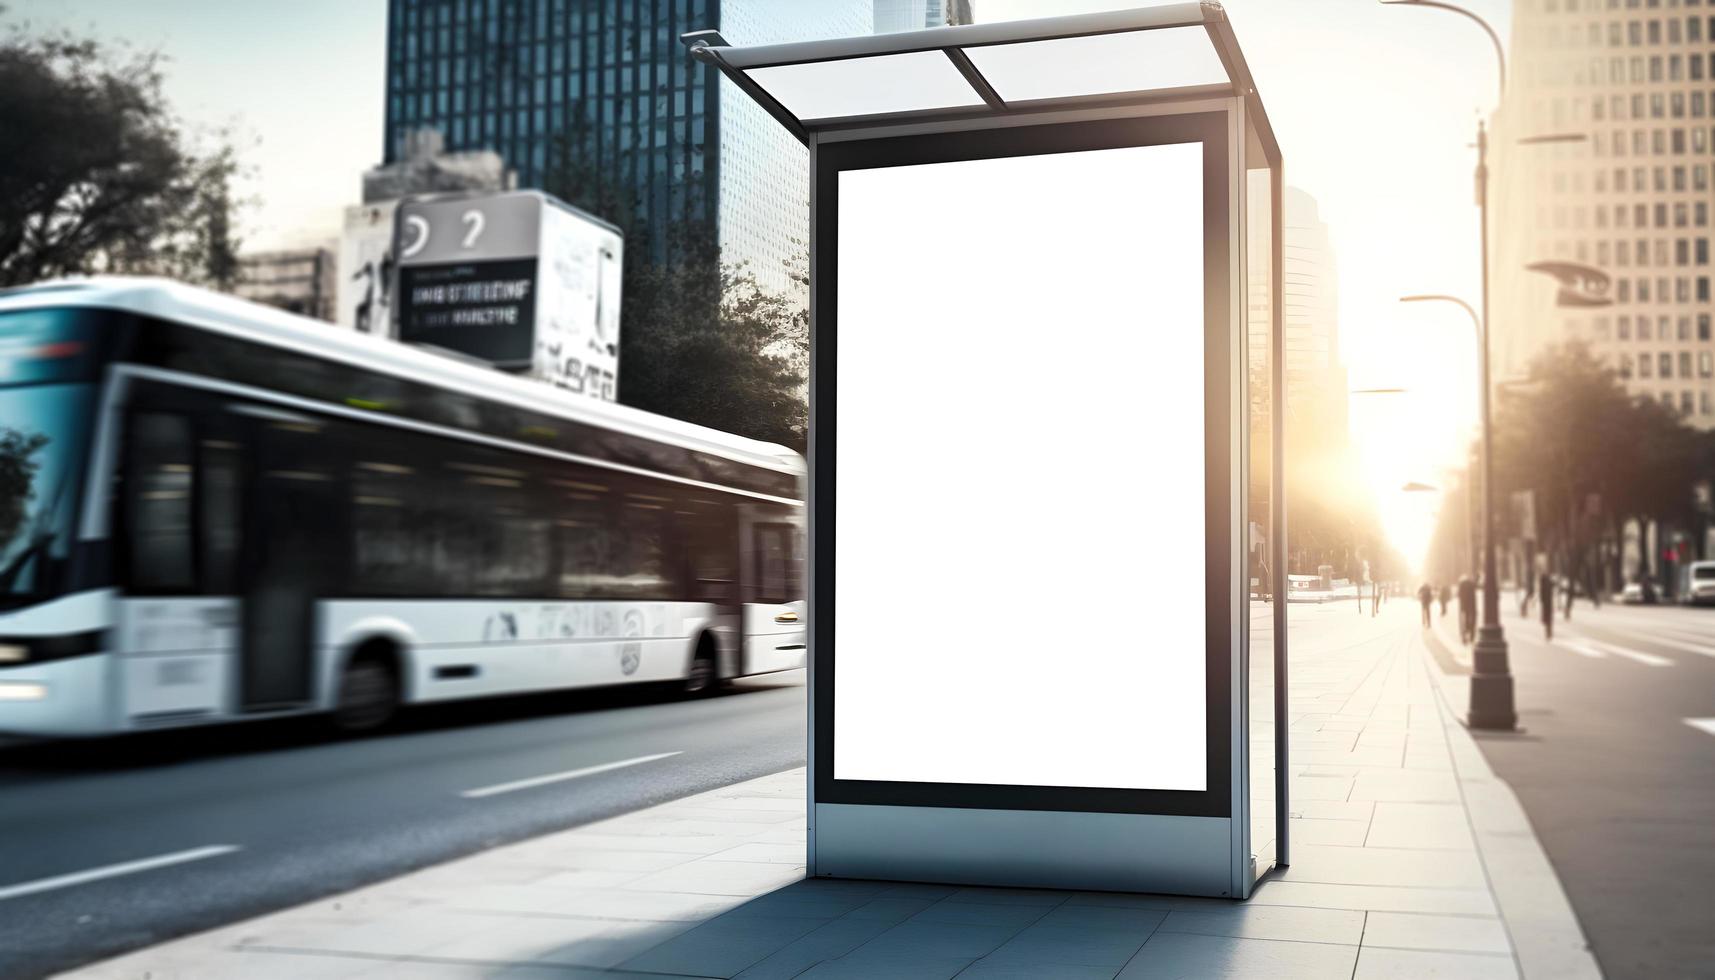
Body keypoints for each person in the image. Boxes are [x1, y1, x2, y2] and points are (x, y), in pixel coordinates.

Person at [1457, 574, 1477, 645]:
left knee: (1463, 622)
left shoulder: (1461, 585)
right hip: (1472, 606)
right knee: (1472, 621)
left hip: (1463, 607)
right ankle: (1472, 636)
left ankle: (1464, 637)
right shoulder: (1471, 584)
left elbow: (1459, 595)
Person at [1539, 569, 1556, 641]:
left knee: (1547, 618)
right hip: (1548, 603)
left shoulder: (1543, 584)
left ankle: (1548, 632)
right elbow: (1553, 585)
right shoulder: (1546, 583)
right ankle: (1549, 632)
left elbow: (1542, 595)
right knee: (1549, 618)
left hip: (1546, 603)